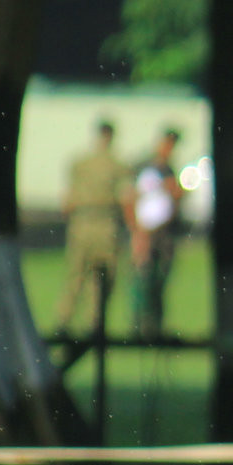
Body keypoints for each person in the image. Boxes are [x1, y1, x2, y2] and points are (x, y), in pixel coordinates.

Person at [54, 121, 129, 337]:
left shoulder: (80, 163)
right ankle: (94, 324)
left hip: (81, 223)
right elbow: (126, 197)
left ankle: (64, 320)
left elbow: (67, 201)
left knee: (75, 275)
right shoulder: (117, 166)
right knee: (102, 279)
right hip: (106, 224)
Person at [129, 127, 185, 340]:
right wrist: (137, 233)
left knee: (160, 280)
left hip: (164, 233)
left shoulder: (169, 170)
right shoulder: (146, 168)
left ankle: (155, 327)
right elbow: (131, 199)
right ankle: (138, 327)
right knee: (143, 280)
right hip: (147, 233)